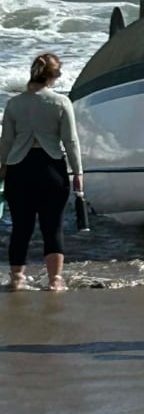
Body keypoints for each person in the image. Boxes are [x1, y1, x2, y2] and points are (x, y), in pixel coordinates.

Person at [0, 53, 83, 292]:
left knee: (21, 226)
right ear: (54, 76)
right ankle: (55, 280)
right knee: (52, 226)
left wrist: (2, 166)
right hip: (51, 168)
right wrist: (78, 172)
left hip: (19, 168)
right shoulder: (60, 102)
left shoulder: (14, 103)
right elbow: (71, 141)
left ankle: (17, 279)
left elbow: (5, 141)